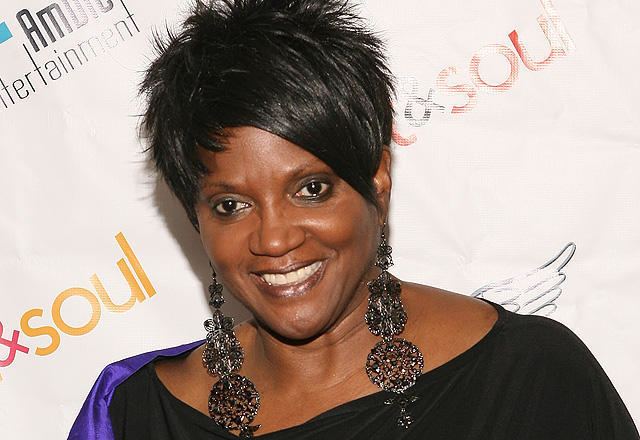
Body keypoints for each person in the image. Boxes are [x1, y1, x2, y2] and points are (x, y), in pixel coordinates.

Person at [69, 0, 640, 439]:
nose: (273, 238)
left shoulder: (531, 378)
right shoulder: (134, 414)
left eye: (312, 189)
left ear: (377, 178)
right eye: (231, 205)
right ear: (196, 217)